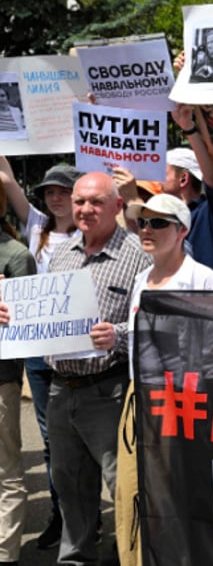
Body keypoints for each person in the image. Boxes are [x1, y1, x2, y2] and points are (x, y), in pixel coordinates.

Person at [0, 172, 151, 564]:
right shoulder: (64, 253)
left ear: (117, 206)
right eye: (80, 201)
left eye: (96, 201)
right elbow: (44, 315)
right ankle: (76, 558)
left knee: (124, 487)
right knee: (69, 486)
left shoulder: (139, 254)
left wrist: (116, 334)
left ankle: (131, 557)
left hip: (110, 389)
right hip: (60, 389)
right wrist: (10, 315)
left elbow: (153, 318)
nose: (85, 209)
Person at [113, 193, 213, 565]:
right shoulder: (141, 278)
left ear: (182, 231)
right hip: (139, 399)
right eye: (143, 222)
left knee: (178, 494)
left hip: (185, 402)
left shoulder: (204, 279)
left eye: (159, 223)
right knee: (132, 491)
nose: (147, 229)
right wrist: (114, 336)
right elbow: (136, 337)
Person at [0, 159, 81, 550]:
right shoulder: (37, 227)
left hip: (79, 350)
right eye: (50, 191)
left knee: (83, 439)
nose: (56, 198)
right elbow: (7, 180)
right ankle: (62, 516)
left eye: (64, 191)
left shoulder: (92, 231)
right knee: (51, 441)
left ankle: (85, 520)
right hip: (38, 353)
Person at [0, 179, 36, 565]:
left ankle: (5, 554)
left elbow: (28, 328)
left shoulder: (16, 255)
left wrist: (11, 310)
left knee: (5, 471)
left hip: (1, 380)